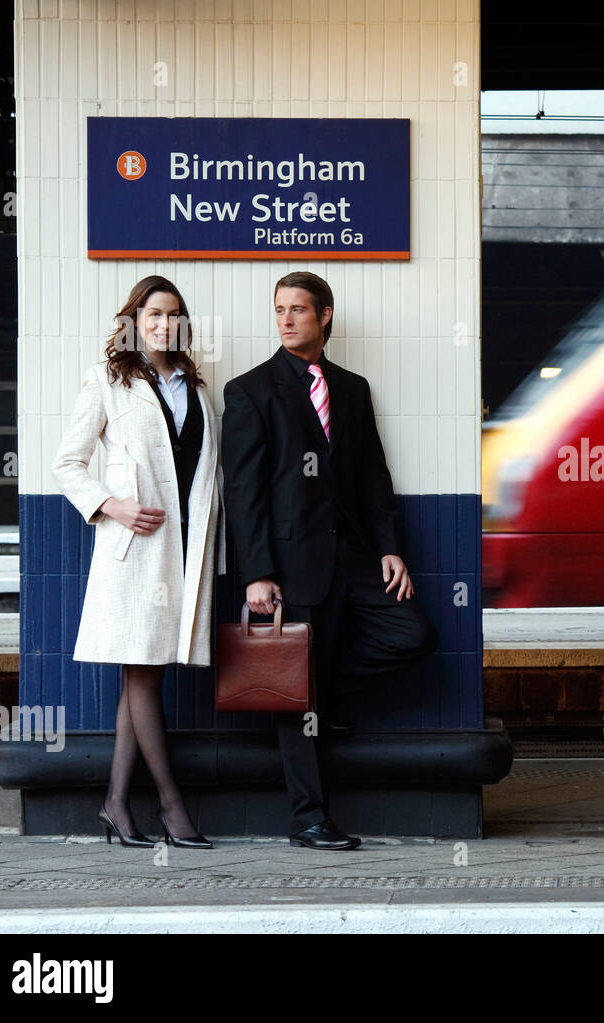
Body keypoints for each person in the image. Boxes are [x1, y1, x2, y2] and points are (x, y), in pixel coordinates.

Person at [222, 271, 438, 850]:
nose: (287, 319)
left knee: (413, 633)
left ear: (325, 316)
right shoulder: (250, 391)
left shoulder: (352, 387)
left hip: (356, 557)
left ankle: (332, 693)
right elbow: (243, 492)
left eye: (298, 309)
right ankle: (308, 818)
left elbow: (372, 475)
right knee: (295, 692)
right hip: (290, 566)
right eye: (279, 310)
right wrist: (257, 573)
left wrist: (391, 547)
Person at [51, 275, 223, 850]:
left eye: (173, 314)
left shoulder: (197, 390)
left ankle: (116, 806)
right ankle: (173, 808)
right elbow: (66, 463)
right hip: (134, 553)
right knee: (143, 672)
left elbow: (205, 474)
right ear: (132, 320)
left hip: (182, 553)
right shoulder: (108, 380)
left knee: (142, 673)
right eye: (152, 314)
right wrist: (113, 506)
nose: (163, 324)